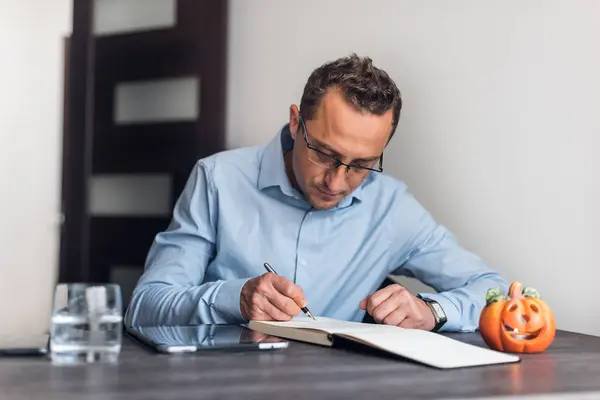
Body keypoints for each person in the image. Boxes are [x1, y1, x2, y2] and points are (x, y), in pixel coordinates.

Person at [125, 53, 509, 332]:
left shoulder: (391, 206)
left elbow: (495, 290)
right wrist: (233, 298)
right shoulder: (218, 179)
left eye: (361, 164)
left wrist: (434, 312)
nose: (337, 182)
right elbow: (145, 306)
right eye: (325, 154)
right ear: (296, 123)